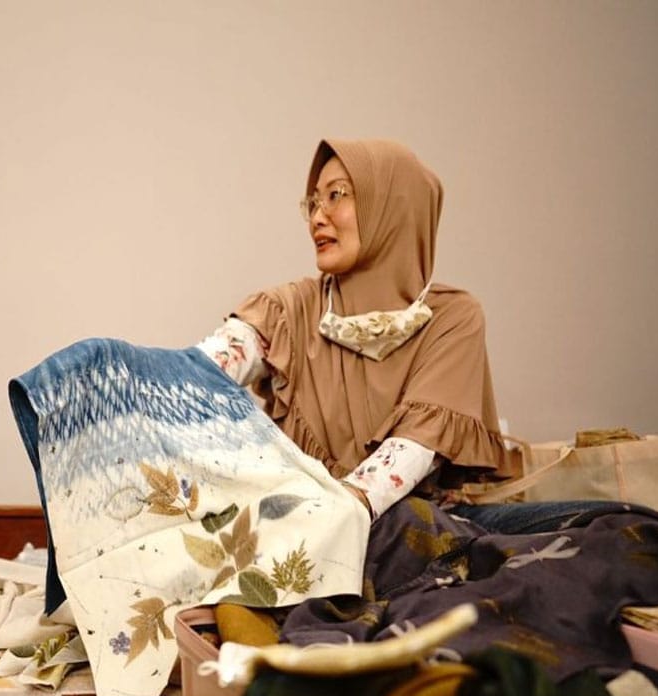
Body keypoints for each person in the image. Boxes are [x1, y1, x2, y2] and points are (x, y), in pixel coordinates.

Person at [197, 138, 516, 520]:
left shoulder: (452, 317)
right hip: (311, 524)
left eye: (336, 195)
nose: (317, 217)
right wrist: (136, 374)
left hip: (389, 523)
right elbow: (201, 371)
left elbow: (404, 460)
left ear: (392, 205)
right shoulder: (289, 309)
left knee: (584, 523)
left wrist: (332, 518)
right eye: (314, 202)